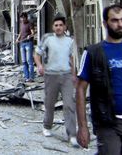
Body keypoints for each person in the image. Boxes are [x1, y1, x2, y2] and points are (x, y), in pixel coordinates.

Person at [76, 4, 122, 154]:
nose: (120, 24)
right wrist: (83, 126)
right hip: (108, 122)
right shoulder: (93, 52)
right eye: (115, 20)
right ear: (105, 23)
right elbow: (80, 89)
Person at [33, 16, 78, 147]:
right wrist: (40, 66)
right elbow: (37, 54)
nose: (58, 27)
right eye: (56, 25)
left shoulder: (70, 41)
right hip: (51, 75)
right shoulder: (47, 39)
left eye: (61, 25)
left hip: (66, 76)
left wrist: (74, 75)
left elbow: (72, 59)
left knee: (69, 104)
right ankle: (47, 126)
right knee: (49, 103)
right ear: (53, 27)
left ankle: (72, 135)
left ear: (65, 27)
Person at [16, 12, 35, 82]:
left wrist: (29, 36)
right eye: (21, 18)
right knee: (24, 61)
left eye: (23, 18)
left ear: (26, 17)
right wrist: (18, 39)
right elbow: (21, 32)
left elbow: (33, 33)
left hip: (28, 43)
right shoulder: (21, 24)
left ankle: (31, 77)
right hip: (22, 43)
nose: (22, 19)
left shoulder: (30, 23)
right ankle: (27, 77)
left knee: (29, 61)